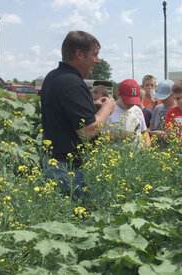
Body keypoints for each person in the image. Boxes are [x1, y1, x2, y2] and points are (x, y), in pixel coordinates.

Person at [40, 30, 115, 198]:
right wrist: (107, 108)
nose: (98, 60)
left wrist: (92, 105)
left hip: (55, 164)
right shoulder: (72, 83)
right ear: (79, 54)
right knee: (77, 219)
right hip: (68, 171)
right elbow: (88, 131)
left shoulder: (54, 76)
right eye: (94, 55)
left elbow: (63, 114)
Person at [105, 79, 151, 147]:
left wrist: (147, 146)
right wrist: (121, 135)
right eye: (128, 101)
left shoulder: (137, 110)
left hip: (137, 154)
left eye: (133, 101)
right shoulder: (108, 111)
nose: (131, 104)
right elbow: (101, 137)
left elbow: (144, 132)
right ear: (118, 95)